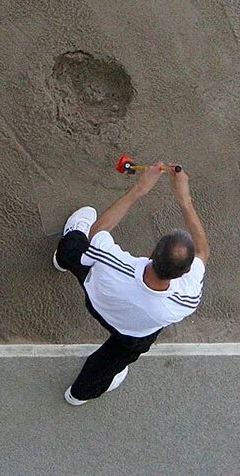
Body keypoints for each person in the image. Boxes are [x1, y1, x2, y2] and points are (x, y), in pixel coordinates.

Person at [53, 162, 210, 404]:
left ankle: (62, 258)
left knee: (78, 247)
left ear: (151, 254)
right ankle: (80, 393)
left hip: (96, 299)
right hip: (132, 334)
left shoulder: (114, 261)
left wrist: (140, 188)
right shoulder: (188, 300)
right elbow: (202, 250)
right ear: (185, 271)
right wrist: (185, 200)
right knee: (112, 363)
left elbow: (98, 231)